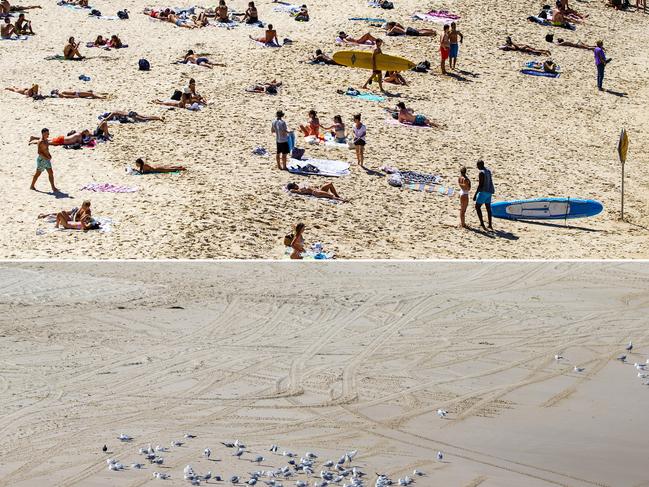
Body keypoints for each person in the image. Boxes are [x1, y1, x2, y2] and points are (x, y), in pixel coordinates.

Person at [29, 128, 58, 192]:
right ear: (43, 134)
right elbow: (39, 152)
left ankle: (53, 187)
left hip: (46, 159)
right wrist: (46, 157)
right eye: (47, 133)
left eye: (48, 133)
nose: (48, 134)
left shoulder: (46, 140)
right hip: (42, 160)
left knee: (51, 173)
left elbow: (46, 149)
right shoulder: (41, 142)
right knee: (38, 174)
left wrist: (49, 155)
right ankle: (32, 186)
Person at [474, 160, 495, 231]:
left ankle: (482, 224)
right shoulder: (488, 171)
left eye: (477, 166)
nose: (477, 167)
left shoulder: (481, 173)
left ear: (480, 165)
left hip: (483, 192)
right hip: (490, 191)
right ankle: (490, 224)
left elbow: (480, 185)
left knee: (477, 207)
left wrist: (475, 194)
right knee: (488, 208)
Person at [99, 111, 163, 123]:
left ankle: (158, 118)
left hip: (130, 115)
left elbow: (106, 119)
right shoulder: (117, 112)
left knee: (144, 119)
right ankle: (158, 117)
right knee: (145, 116)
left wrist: (105, 119)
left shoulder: (114, 113)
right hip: (130, 113)